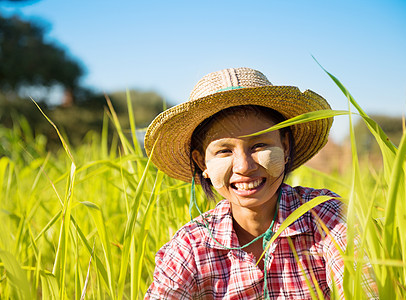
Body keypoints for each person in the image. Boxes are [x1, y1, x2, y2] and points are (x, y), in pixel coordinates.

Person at [144, 67, 377, 299]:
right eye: (224, 151)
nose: (244, 166)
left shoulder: (327, 218)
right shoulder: (190, 246)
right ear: (202, 163)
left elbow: (365, 287)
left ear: (285, 147)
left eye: (260, 146)